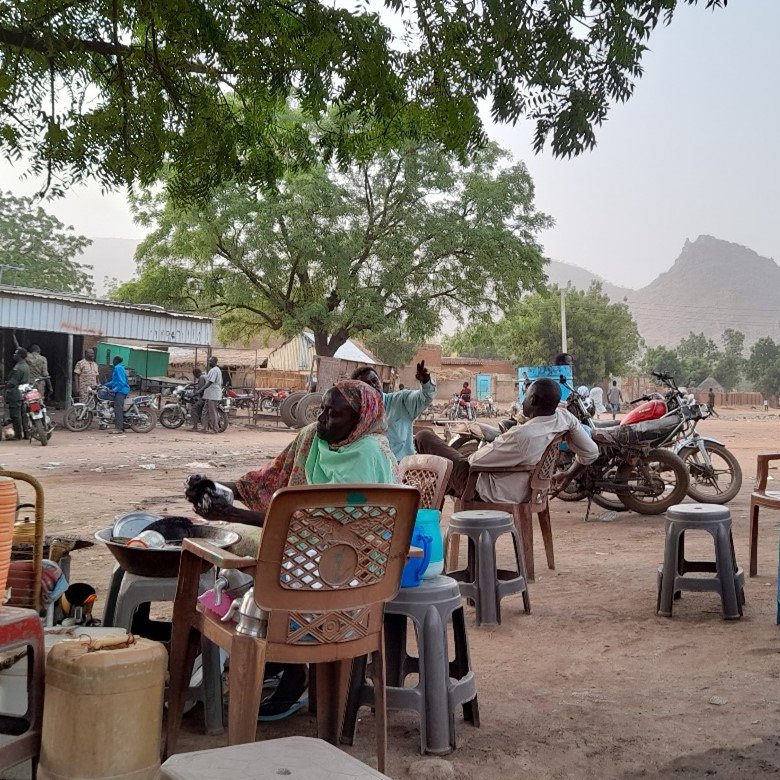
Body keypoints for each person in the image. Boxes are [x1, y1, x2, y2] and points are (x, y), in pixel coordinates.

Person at [184, 379, 396, 721]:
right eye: (323, 409)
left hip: (352, 565)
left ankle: (294, 669)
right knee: (240, 559)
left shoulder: (368, 456)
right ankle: (278, 659)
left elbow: (325, 528)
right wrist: (217, 489)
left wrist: (235, 514)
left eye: (335, 414)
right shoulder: (314, 437)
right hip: (307, 550)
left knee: (265, 568)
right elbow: (268, 480)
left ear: (359, 420)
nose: (324, 419)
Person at [415, 377, 598, 502]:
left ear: (533, 400)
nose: (522, 402)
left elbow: (474, 462)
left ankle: (424, 534)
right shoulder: (564, 418)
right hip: (528, 492)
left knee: (424, 437)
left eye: (525, 397)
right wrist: (568, 474)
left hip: (492, 491)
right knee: (437, 482)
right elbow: (591, 452)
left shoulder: (522, 436)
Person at [351, 361, 437, 460]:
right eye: (366, 384)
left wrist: (426, 382)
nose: (373, 386)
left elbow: (425, 397)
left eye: (374, 380)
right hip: (373, 466)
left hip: (402, 466)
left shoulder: (401, 400)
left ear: (380, 380)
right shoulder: (355, 414)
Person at [4, 348, 31, 440]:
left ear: (19, 356)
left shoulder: (18, 368)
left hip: (15, 393)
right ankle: (27, 434)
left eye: (15, 354)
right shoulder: (26, 366)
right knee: (23, 414)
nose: (14, 355)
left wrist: (5, 385)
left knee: (15, 415)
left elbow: (12, 383)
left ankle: (18, 435)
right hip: (24, 392)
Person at [198, 356, 223, 434]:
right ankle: (204, 428)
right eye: (209, 361)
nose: (209, 362)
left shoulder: (215, 370)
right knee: (205, 411)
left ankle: (214, 429)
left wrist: (200, 390)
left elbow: (210, 382)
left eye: (210, 361)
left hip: (213, 395)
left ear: (215, 362)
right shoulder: (213, 370)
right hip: (209, 395)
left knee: (212, 412)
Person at [105, 356, 130, 434]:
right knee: (114, 405)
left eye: (113, 360)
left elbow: (121, 382)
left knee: (117, 408)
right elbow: (114, 381)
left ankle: (119, 428)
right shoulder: (119, 367)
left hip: (121, 391)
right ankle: (122, 424)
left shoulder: (118, 368)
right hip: (120, 390)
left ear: (115, 360)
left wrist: (114, 390)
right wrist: (104, 385)